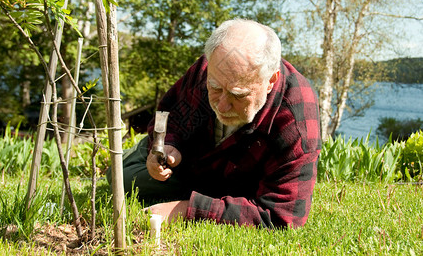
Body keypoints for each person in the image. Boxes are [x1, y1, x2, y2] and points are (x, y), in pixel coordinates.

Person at [117, 18, 321, 229]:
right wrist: (167, 145)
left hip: (232, 187)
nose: (222, 106)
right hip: (190, 163)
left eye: (237, 95)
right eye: (214, 88)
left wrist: (190, 210)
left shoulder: (297, 122)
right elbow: (170, 114)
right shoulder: (209, 67)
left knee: (126, 181)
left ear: (270, 81)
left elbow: (281, 217)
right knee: (118, 178)